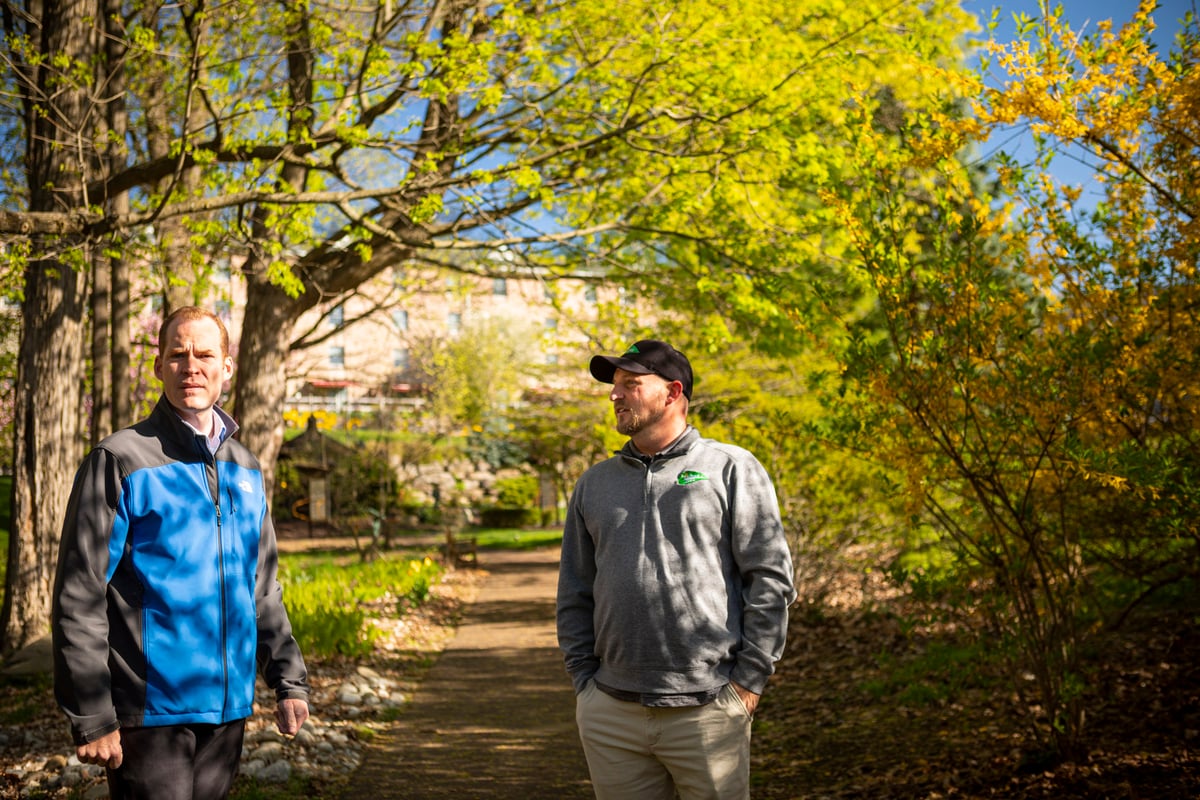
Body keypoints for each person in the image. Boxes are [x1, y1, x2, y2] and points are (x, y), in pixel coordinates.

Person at [52, 306, 311, 800]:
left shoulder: (246, 469)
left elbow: (261, 585)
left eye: (205, 354)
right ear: (159, 366)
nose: (191, 365)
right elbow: (80, 592)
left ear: (226, 368)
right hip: (149, 713)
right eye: (177, 354)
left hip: (228, 710)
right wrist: (91, 712)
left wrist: (288, 679)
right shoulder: (120, 460)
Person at [556, 339, 797, 800]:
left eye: (630, 384)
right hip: (611, 712)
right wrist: (584, 682)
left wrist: (748, 682)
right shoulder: (595, 483)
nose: (614, 395)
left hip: (708, 708)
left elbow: (770, 579)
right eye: (613, 386)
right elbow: (575, 589)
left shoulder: (731, 468)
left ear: (672, 392)